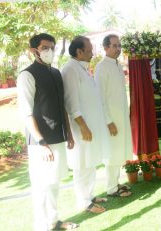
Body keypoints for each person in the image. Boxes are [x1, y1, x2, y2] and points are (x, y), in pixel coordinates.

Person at [17, 33, 78, 230]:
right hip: (40, 142)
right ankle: (41, 226)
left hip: (58, 137)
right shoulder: (27, 75)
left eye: (51, 47)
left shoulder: (55, 73)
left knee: (54, 183)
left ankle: (54, 221)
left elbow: (62, 107)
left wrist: (68, 133)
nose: (49, 51)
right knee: (41, 185)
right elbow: (26, 113)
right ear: (33, 51)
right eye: (44, 47)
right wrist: (42, 143)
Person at [62, 36, 113, 214]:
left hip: (91, 126)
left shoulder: (81, 68)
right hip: (82, 128)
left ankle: (89, 196)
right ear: (79, 51)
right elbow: (71, 103)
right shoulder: (70, 70)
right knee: (82, 164)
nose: (93, 53)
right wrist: (83, 126)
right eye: (90, 50)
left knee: (90, 162)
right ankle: (83, 202)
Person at [94, 34, 133, 197]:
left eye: (119, 45)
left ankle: (116, 183)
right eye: (114, 45)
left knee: (119, 150)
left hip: (121, 116)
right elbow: (100, 97)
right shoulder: (102, 67)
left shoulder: (117, 65)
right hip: (110, 119)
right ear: (106, 47)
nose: (118, 49)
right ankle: (111, 188)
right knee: (111, 152)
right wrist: (108, 121)